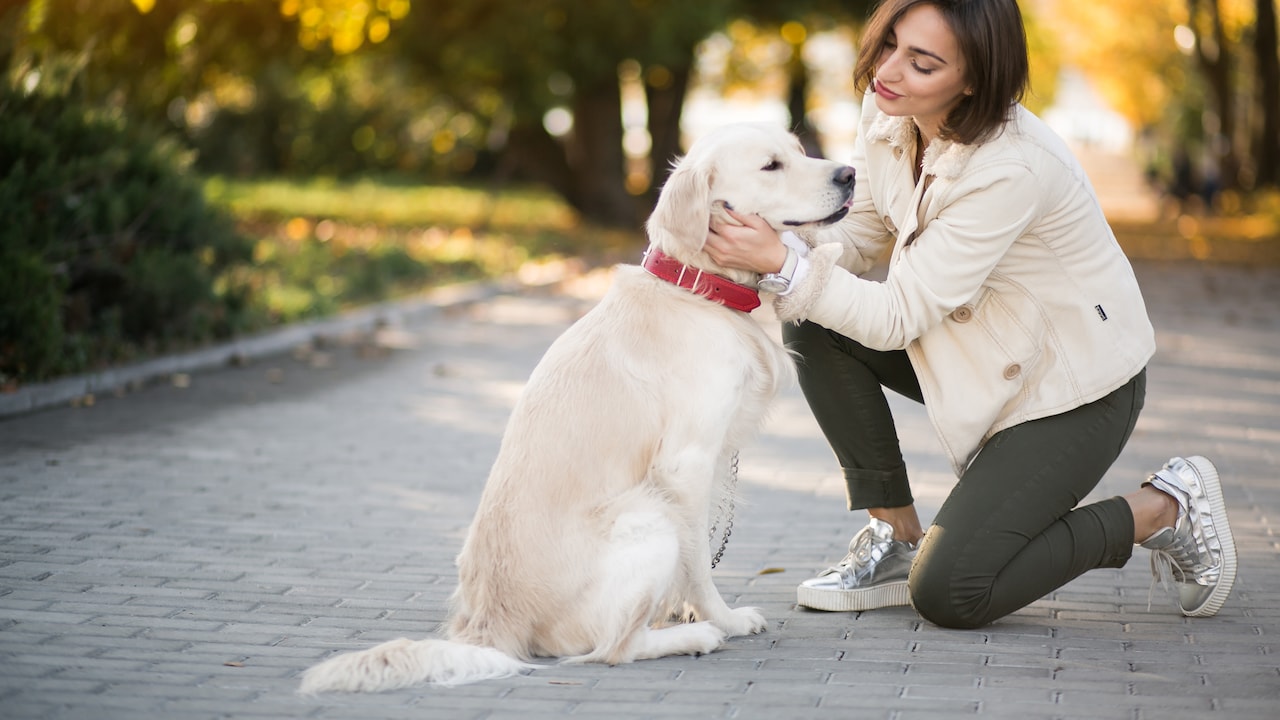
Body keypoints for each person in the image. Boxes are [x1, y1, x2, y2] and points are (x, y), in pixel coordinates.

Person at [704, 0, 1237, 629]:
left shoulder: (1010, 166)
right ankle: (894, 537)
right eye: (891, 44)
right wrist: (776, 248)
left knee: (953, 591)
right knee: (812, 313)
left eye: (922, 63)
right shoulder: (889, 109)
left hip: (1071, 390)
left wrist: (784, 264)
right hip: (977, 354)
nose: (890, 71)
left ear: (974, 80)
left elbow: (897, 316)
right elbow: (868, 234)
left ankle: (1163, 507)